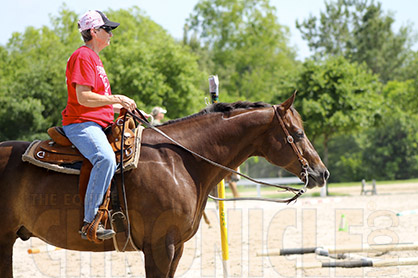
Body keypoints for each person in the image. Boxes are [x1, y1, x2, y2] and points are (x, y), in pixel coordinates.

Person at [61, 10, 137, 240]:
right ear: (94, 32)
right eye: (108, 29)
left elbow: (98, 102)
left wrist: (128, 109)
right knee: (105, 158)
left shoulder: (94, 58)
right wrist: (117, 99)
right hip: (81, 124)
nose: (111, 34)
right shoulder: (83, 56)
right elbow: (83, 98)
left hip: (95, 121)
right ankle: (91, 221)